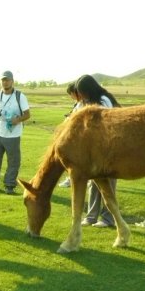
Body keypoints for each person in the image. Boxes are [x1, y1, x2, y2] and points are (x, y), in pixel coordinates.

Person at [75, 74, 121, 227]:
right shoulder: (83, 102)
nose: (80, 95)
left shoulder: (104, 101)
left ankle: (108, 218)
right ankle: (91, 216)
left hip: (108, 149)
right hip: (92, 150)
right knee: (93, 182)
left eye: (82, 91)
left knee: (108, 182)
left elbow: (107, 125)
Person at [0, 70, 31, 195]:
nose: (5, 82)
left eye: (7, 80)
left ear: (12, 81)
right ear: (0, 81)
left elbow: (27, 114)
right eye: (3, 80)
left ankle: (9, 185)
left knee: (13, 161)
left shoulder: (20, 96)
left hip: (13, 134)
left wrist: (18, 119)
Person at [58, 82, 84, 188]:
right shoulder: (78, 103)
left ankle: (72, 179)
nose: (71, 97)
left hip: (79, 137)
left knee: (74, 160)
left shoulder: (83, 103)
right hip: (75, 136)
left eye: (71, 94)